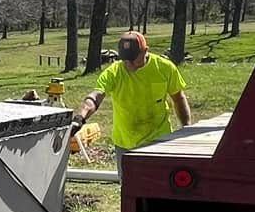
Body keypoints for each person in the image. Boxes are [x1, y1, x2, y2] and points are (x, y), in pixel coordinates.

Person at [76, 31, 191, 166]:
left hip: (159, 140)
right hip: (125, 144)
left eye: (133, 58)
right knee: (128, 186)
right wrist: (80, 118)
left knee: (159, 185)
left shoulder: (164, 68)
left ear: (145, 51)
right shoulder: (114, 72)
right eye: (125, 59)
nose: (129, 63)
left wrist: (186, 129)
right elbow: (96, 96)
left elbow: (178, 98)